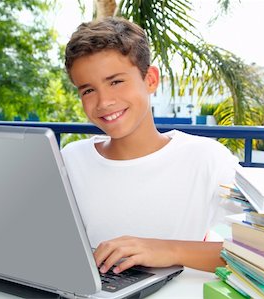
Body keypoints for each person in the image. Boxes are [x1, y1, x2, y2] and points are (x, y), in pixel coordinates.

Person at [62, 16, 240, 275]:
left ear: (150, 80)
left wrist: (169, 250)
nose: (104, 102)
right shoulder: (71, 159)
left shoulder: (207, 158)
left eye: (115, 81)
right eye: (88, 90)